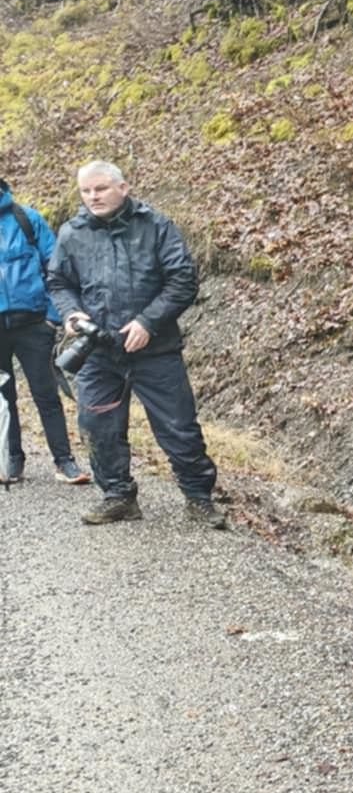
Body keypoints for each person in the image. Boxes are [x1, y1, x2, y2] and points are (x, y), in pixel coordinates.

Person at [46, 161, 226, 528]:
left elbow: (183, 280)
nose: (93, 196)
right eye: (86, 191)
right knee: (97, 427)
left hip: (155, 350)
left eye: (101, 189)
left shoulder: (156, 226)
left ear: (123, 188)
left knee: (179, 427)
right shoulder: (72, 233)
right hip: (97, 351)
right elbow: (59, 282)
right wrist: (71, 314)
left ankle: (199, 500)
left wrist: (148, 321)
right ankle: (118, 496)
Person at [0, 177, 89, 488]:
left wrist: (52, 318)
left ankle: (63, 460)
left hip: (33, 323)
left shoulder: (28, 219)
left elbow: (56, 270)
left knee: (46, 394)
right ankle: (12, 459)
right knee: (1, 397)